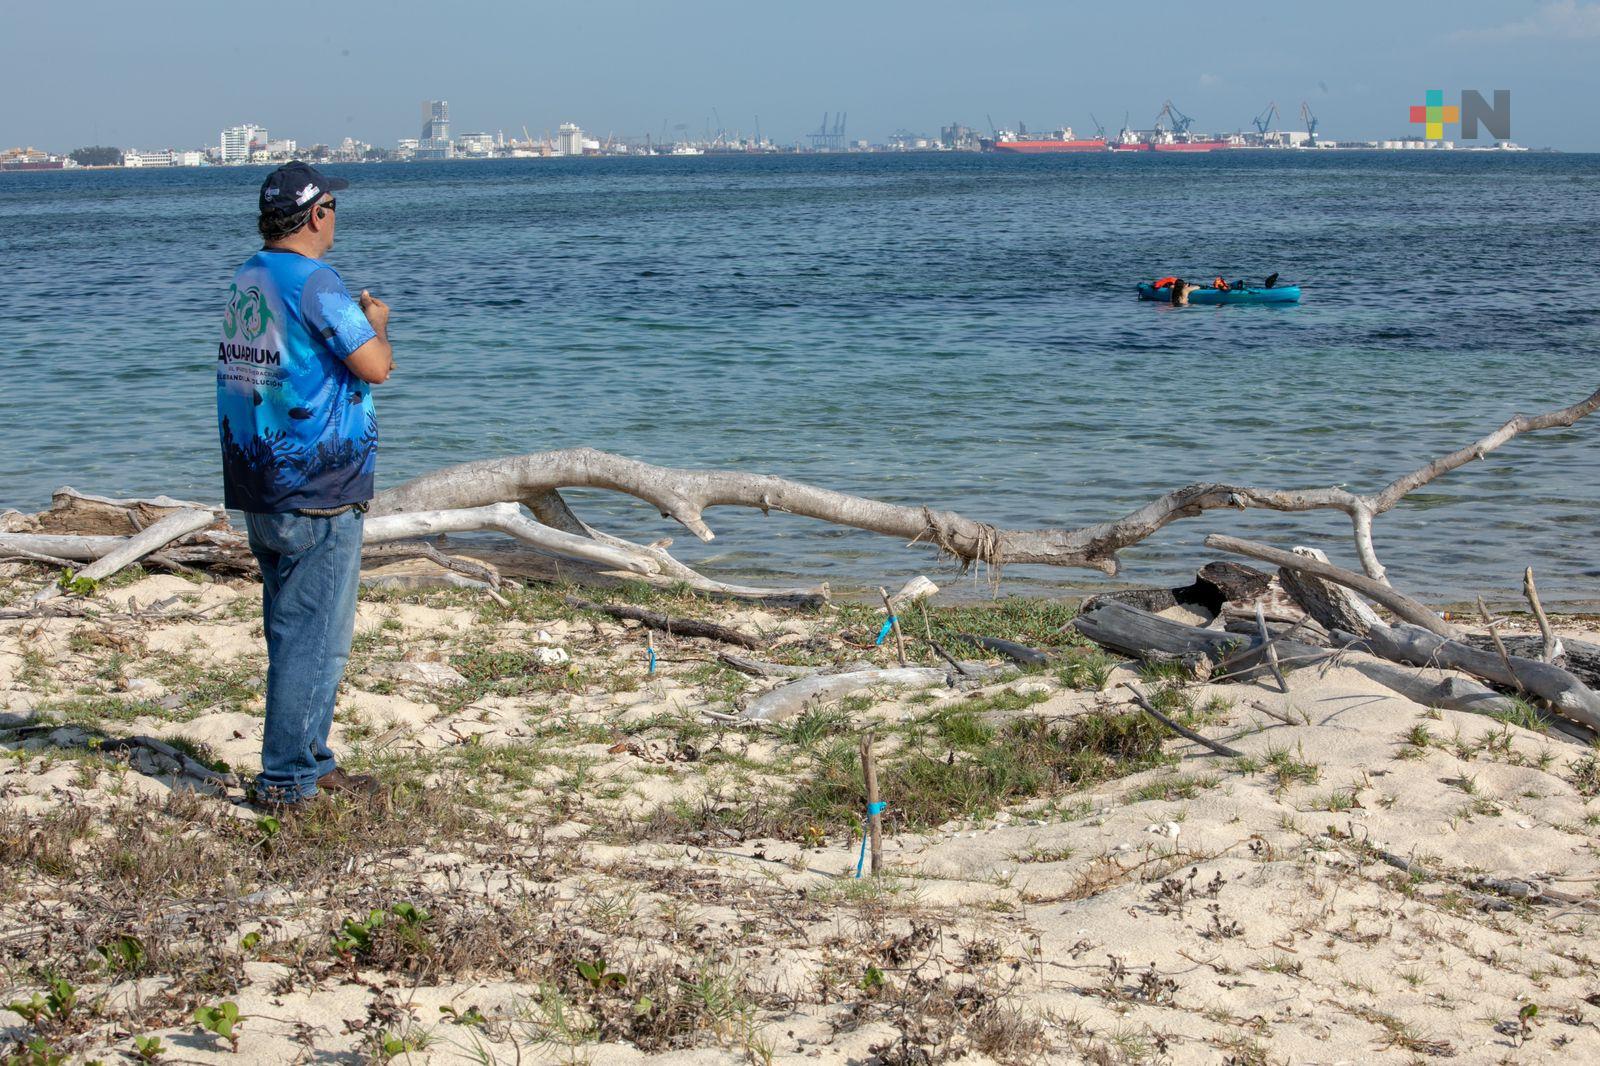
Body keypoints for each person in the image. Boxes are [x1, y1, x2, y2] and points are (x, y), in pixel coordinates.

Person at [216, 161, 395, 810]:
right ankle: (288, 780)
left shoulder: (251, 275)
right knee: (315, 638)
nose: (336, 219)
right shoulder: (316, 282)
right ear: (317, 214)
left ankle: (310, 759)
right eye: (333, 208)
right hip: (317, 489)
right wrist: (377, 320)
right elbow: (375, 366)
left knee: (295, 628)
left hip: (261, 480)